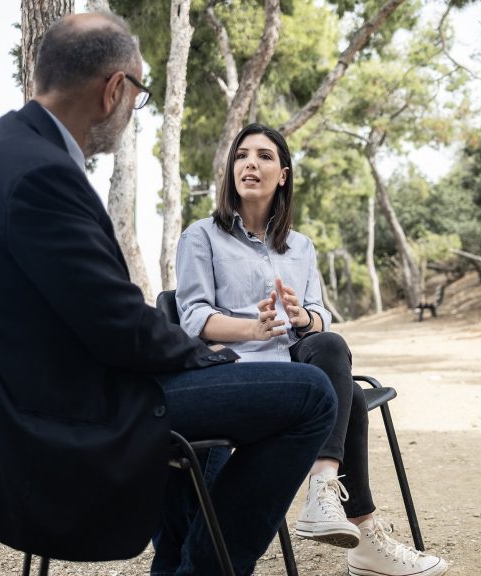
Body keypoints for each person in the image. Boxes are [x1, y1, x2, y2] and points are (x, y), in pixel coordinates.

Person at [0, 14, 337, 576]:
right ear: (115, 89)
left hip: (32, 392)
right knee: (312, 395)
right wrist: (208, 357)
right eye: (139, 94)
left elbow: (93, 310)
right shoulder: (40, 174)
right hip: (78, 407)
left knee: (219, 432)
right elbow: (117, 323)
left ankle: (176, 563)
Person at [174, 123, 449, 576]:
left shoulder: (300, 246)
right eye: (242, 155)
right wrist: (253, 327)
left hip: (298, 362)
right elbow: (193, 318)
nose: (249, 164)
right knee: (353, 397)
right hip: (235, 367)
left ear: (282, 174)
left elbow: (321, 314)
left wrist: (302, 318)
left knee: (330, 343)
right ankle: (365, 542)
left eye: (264, 156)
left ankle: (323, 486)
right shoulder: (201, 236)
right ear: (231, 170)